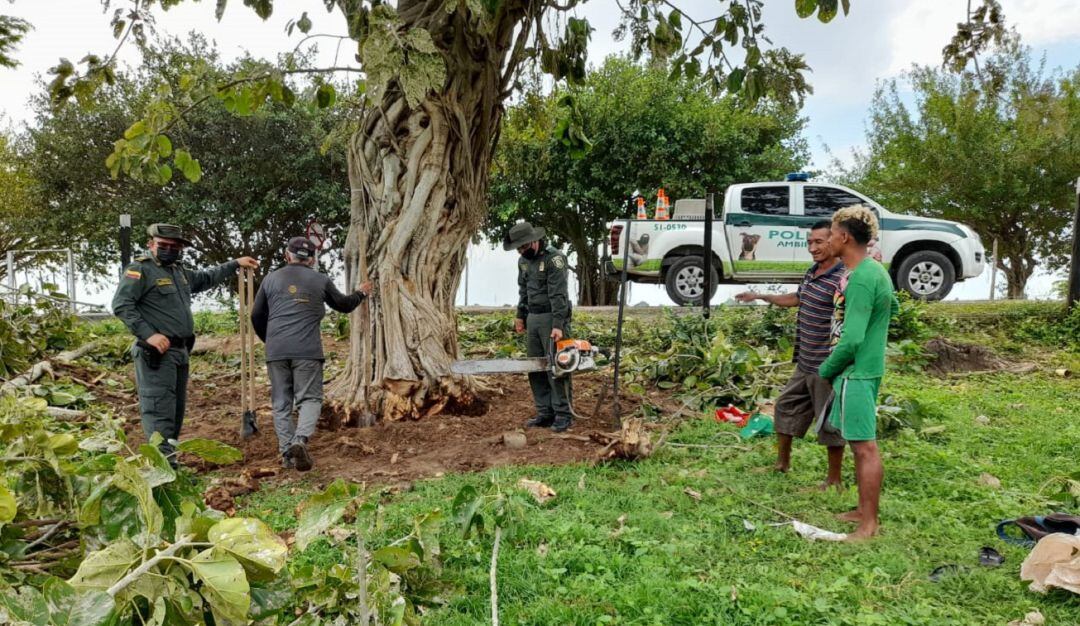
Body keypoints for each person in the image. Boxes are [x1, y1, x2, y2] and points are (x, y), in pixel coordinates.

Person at [112, 223, 258, 466]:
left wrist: (234, 264)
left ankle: (169, 462)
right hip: (156, 353)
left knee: (176, 410)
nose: (170, 250)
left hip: (180, 351)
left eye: (175, 247)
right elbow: (122, 305)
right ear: (151, 245)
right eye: (164, 246)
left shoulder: (177, 272)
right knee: (159, 410)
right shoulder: (140, 270)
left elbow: (205, 278)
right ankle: (163, 467)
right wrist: (149, 334)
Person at [735, 220, 846, 488]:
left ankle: (834, 480)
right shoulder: (813, 271)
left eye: (819, 242)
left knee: (830, 421)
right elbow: (798, 298)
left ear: (835, 241)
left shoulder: (843, 277)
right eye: (809, 242)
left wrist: (837, 361)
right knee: (785, 405)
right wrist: (761, 296)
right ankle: (782, 464)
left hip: (826, 364)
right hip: (805, 361)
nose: (812, 247)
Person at [250, 237, 372, 471]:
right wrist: (361, 293)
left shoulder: (270, 279)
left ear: (287, 256)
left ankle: (287, 454)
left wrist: (271, 341)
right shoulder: (320, 280)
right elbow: (344, 305)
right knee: (310, 399)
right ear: (313, 259)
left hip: (276, 351)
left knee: (281, 404)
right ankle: (299, 440)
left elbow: (256, 315)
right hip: (307, 351)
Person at [817, 205, 899, 541]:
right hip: (863, 368)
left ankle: (869, 524)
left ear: (845, 237)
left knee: (865, 447)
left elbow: (851, 338)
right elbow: (891, 307)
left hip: (856, 372)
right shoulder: (873, 271)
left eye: (833, 234)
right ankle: (862, 510)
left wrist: (827, 369)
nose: (829, 240)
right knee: (856, 442)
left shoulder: (863, 277)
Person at [504, 221, 574, 432]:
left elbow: (559, 294)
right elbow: (523, 289)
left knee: (557, 366)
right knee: (535, 366)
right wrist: (520, 316)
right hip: (533, 317)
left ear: (534, 241)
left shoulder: (555, 259)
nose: (521, 251)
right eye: (518, 248)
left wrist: (558, 325)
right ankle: (545, 412)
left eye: (524, 246)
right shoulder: (523, 262)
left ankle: (563, 414)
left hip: (552, 317)